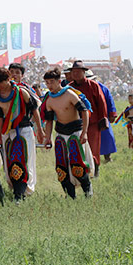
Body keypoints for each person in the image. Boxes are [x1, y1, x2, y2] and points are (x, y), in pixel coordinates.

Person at [42, 67, 93, 199]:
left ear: (59, 81)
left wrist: (85, 132)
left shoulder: (70, 94)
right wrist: (48, 138)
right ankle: (70, 196)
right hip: (60, 134)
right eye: (47, 83)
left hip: (75, 133)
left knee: (78, 164)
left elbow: (84, 111)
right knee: (61, 168)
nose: (49, 85)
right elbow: (49, 121)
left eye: (52, 82)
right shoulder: (49, 100)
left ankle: (88, 191)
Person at [0, 67, 40, 203]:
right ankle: (17, 191)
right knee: (10, 162)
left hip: (23, 130)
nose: (0, 85)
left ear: (8, 79)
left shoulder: (20, 92)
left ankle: (20, 195)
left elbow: (34, 110)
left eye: (2, 82)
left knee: (22, 161)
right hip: (7, 132)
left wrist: (40, 131)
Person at [66, 61, 109, 176]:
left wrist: (103, 118)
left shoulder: (93, 85)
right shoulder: (69, 87)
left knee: (93, 147)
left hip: (93, 123)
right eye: (73, 72)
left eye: (78, 72)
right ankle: (81, 171)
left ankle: (95, 170)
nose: (75, 74)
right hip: (75, 123)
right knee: (78, 148)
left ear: (83, 72)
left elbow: (101, 102)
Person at [90, 71, 118, 163]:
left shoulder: (103, 88)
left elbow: (110, 101)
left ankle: (107, 157)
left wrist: (112, 114)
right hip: (90, 118)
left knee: (106, 136)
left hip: (103, 116)